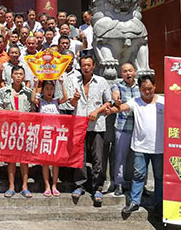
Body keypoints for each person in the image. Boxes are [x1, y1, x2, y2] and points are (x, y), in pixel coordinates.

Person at [108, 76, 164, 215]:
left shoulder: (163, 102)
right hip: (140, 147)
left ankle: (159, 204)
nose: (147, 92)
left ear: (155, 87)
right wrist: (114, 108)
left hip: (160, 148)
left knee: (159, 177)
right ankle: (134, 202)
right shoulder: (136, 101)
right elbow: (122, 108)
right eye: (144, 89)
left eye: (149, 89)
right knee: (138, 175)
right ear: (140, 89)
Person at [69, 56, 111, 204]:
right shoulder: (75, 81)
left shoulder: (101, 81)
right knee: (79, 157)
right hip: (79, 124)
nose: (86, 68)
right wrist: (75, 99)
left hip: (97, 124)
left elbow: (108, 102)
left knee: (98, 157)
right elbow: (70, 104)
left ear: (94, 66)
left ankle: (97, 187)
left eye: (88, 65)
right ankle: (79, 185)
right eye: (83, 65)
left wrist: (97, 111)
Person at [0, 65, 33, 198]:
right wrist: (9, 114)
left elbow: (33, 109)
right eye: (16, 74)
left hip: (24, 130)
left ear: (24, 76)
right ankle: (11, 186)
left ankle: (25, 186)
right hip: (9, 130)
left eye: (20, 74)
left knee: (24, 160)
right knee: (11, 159)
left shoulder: (28, 92)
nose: (18, 76)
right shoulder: (3, 91)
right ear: (11, 75)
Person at [32, 78, 69, 197]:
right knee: (45, 162)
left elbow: (66, 98)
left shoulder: (56, 101)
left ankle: (54, 185)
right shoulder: (40, 101)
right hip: (44, 135)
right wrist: (35, 84)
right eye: (47, 89)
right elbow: (33, 99)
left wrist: (62, 84)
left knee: (55, 161)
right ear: (43, 90)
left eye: (51, 89)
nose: (49, 91)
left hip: (55, 134)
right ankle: (47, 186)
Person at [110, 62, 140, 196]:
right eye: (125, 71)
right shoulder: (117, 85)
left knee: (139, 158)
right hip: (123, 126)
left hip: (140, 128)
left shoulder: (141, 85)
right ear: (121, 74)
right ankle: (119, 184)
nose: (128, 73)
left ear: (135, 72)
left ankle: (139, 185)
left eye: (130, 70)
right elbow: (115, 94)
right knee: (120, 156)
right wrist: (117, 101)